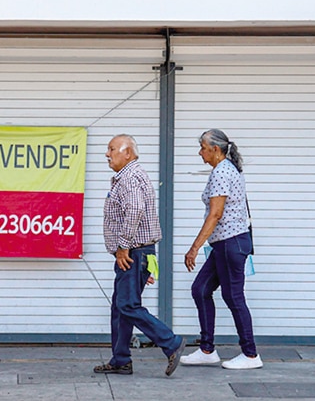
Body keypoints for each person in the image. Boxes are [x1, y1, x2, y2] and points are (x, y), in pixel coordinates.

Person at [93, 134, 185, 377]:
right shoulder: (128, 176)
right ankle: (121, 359)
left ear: (128, 153)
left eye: (112, 149)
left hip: (133, 253)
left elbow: (134, 210)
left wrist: (123, 247)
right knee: (120, 307)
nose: (107, 154)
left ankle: (171, 342)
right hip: (137, 253)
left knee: (127, 305)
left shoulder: (130, 178)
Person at [180, 129, 262, 370]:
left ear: (215, 149)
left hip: (230, 242)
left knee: (233, 296)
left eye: (203, 148)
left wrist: (194, 248)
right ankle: (207, 350)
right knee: (200, 289)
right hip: (225, 244)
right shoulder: (226, 169)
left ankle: (250, 354)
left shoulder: (222, 172)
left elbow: (215, 214)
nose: (200, 152)